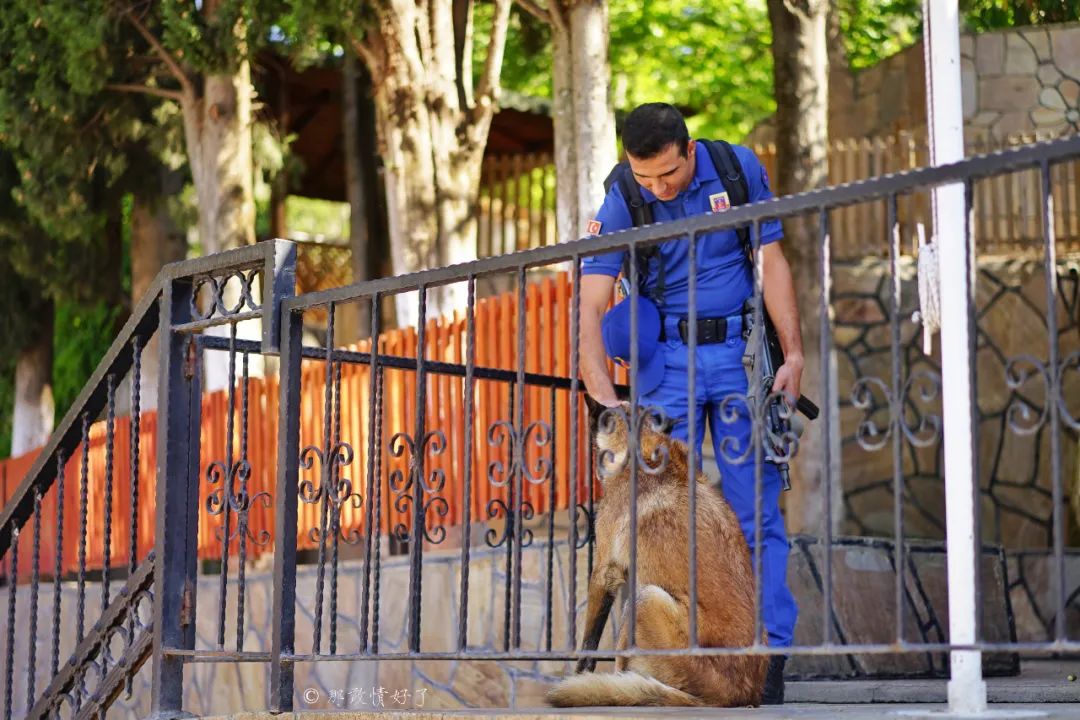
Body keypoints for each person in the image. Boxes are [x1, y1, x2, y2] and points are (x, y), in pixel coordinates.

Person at [578, 102, 804, 704]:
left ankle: (767, 655)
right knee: (661, 515)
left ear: (690, 150)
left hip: (738, 356)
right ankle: (667, 656)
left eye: (668, 175)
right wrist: (598, 385)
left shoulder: (736, 169)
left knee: (754, 510)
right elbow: (593, 295)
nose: (657, 188)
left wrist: (794, 354)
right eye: (645, 176)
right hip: (665, 365)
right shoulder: (624, 192)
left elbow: (772, 261)